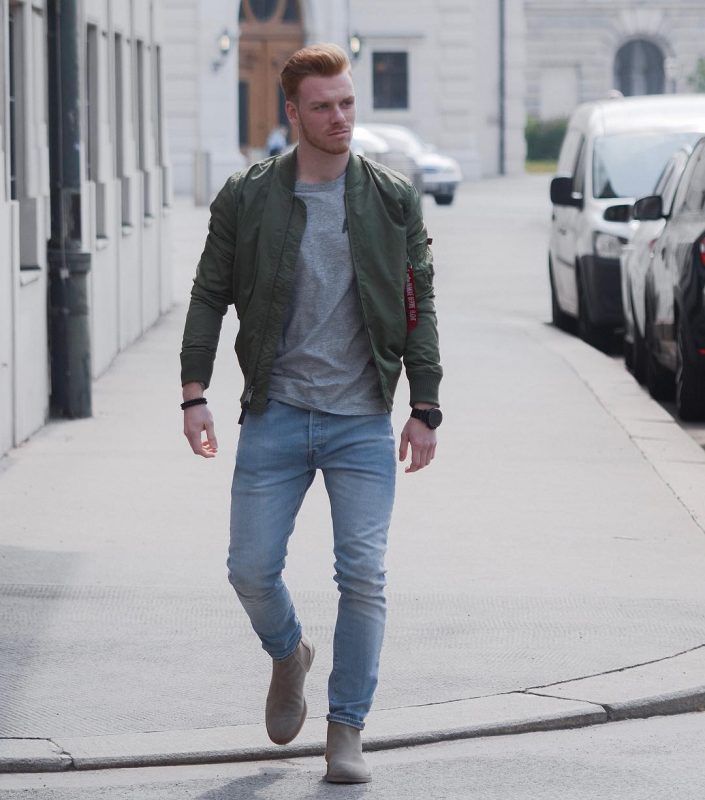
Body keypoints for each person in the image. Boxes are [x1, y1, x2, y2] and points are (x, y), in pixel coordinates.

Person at [180, 42, 442, 784]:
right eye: (322, 107)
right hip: (275, 410)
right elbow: (208, 294)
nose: (339, 119)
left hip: (361, 417)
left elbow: (418, 304)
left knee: (362, 577)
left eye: (348, 104)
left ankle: (346, 729)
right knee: (250, 570)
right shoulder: (247, 196)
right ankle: (288, 652)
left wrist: (425, 404)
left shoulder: (391, 197)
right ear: (291, 112)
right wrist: (193, 391)